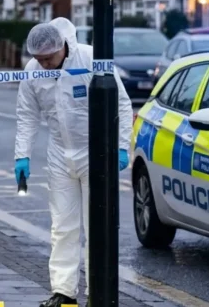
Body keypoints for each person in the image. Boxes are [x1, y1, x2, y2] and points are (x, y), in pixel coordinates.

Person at [14, 17, 133, 307]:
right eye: (38, 59)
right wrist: (22, 155)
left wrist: (120, 146)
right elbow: (27, 116)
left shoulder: (90, 59)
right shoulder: (33, 72)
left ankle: (97, 292)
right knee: (62, 226)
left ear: (62, 47)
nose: (44, 64)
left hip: (95, 152)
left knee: (95, 226)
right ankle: (64, 292)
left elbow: (122, 103)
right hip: (59, 153)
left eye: (48, 58)